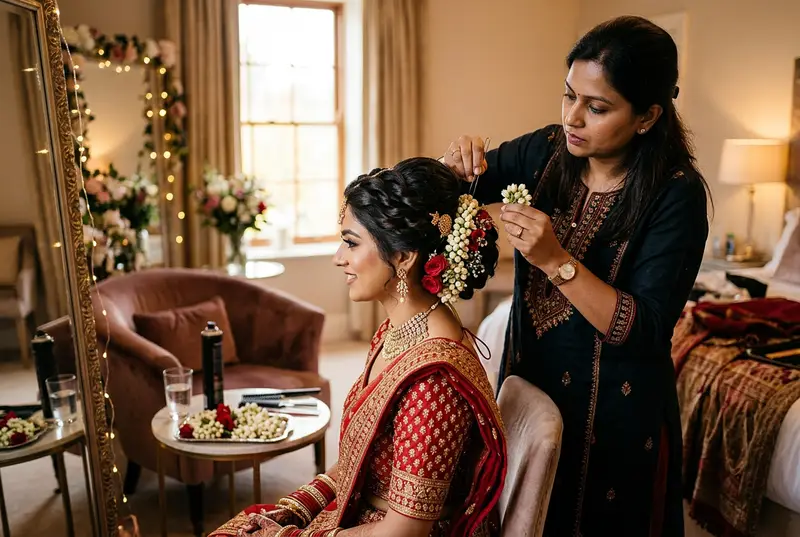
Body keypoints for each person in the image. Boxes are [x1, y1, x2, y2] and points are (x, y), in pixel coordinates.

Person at [441, 15, 710, 537]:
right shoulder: (544, 151)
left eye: (597, 107)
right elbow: (450, 193)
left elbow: (645, 329)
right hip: (530, 380)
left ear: (648, 116)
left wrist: (555, 260)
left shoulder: (676, 194)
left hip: (616, 415)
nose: (573, 118)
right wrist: (452, 165)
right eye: (568, 96)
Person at [208, 158, 508, 537]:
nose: (339, 258)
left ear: (402, 256)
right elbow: (357, 459)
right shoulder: (396, 330)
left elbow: (405, 531)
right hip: (361, 513)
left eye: (351, 243)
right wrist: (297, 509)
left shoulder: (434, 381)